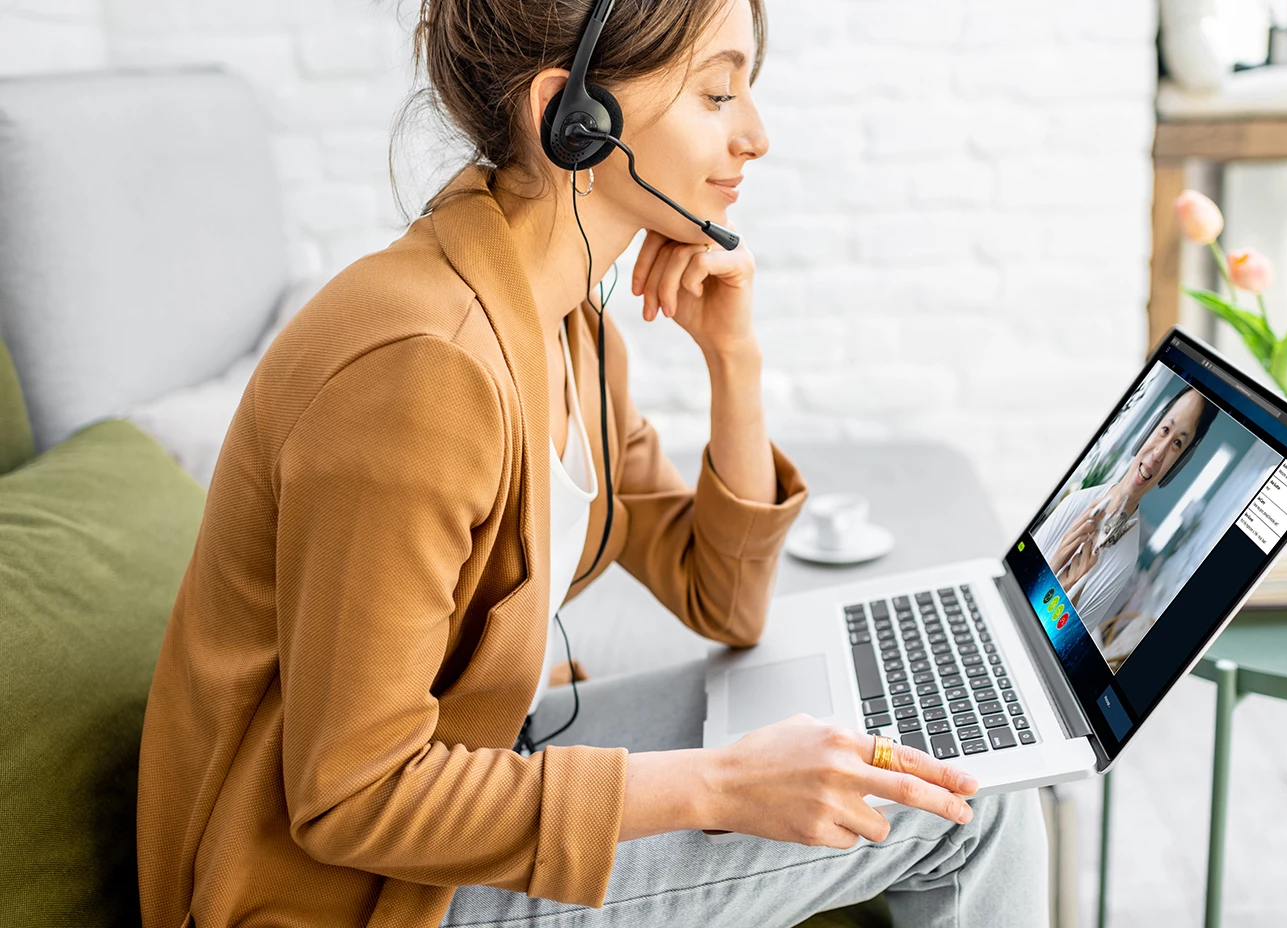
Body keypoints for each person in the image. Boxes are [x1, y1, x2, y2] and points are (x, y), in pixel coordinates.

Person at [135, 1, 1047, 926]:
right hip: (348, 897)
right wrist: (720, 785)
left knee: (944, 756)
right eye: (716, 94)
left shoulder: (570, 326)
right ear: (571, 118)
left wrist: (733, 360)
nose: (756, 135)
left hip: (479, 773)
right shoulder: (424, 372)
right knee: (965, 806)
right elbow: (351, 794)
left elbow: (722, 601)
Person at [1033, 387, 1218, 635]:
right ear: (1151, 429)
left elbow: (1063, 641)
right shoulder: (1076, 501)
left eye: (1177, 444)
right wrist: (1056, 563)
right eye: (1165, 430)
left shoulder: (1125, 560)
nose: (1158, 453)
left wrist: (1068, 594)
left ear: (1177, 465)